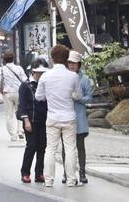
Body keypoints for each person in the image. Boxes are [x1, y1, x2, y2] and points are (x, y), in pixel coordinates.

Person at [35, 44, 79, 188]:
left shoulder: (46, 76)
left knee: (50, 149)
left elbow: (38, 96)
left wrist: (49, 96)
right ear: (67, 59)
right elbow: (77, 95)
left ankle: (48, 180)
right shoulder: (73, 76)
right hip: (69, 117)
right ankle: (71, 180)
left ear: (52, 58)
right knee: (71, 148)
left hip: (53, 117)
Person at [16, 61, 48, 184]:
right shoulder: (25, 85)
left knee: (42, 147)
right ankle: (25, 173)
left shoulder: (45, 84)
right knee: (31, 146)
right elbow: (22, 105)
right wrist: (26, 121)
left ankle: (39, 173)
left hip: (44, 120)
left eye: (43, 73)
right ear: (33, 71)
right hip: (30, 119)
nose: (41, 75)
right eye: (39, 73)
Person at [66, 50, 94, 185]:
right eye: (69, 62)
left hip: (79, 117)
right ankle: (67, 173)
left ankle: (82, 172)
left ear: (79, 64)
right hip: (65, 116)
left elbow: (90, 98)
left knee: (80, 146)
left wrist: (80, 99)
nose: (71, 65)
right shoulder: (63, 77)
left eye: (74, 63)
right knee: (66, 147)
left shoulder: (85, 79)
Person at [0, 50, 26, 142]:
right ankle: (20, 131)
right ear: (13, 58)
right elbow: (25, 80)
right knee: (20, 112)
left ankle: (13, 135)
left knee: (9, 115)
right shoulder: (19, 68)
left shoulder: (1, 69)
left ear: (4, 59)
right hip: (19, 93)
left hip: (7, 93)